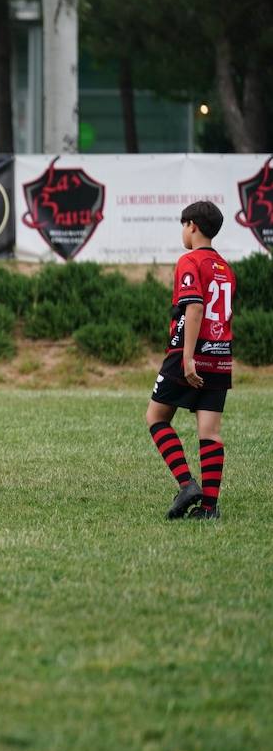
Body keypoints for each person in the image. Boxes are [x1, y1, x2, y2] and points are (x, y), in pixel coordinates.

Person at [145, 201, 235, 521]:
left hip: (191, 353)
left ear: (193, 225)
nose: (183, 232)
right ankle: (209, 507)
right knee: (210, 432)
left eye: (183, 225)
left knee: (156, 418)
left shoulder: (189, 261)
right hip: (221, 356)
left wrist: (187, 358)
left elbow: (194, 308)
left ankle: (186, 484)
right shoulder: (225, 267)